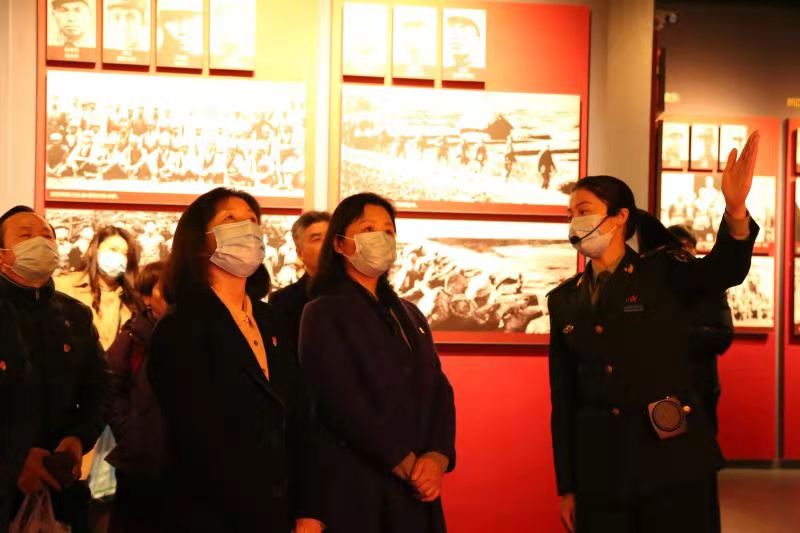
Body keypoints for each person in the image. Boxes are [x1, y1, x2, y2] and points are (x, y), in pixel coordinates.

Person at [547, 131, 759, 533]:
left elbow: (724, 270)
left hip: (671, 462)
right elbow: (564, 400)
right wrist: (568, 486)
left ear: (620, 216)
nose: (575, 220)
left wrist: (735, 209)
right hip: (601, 473)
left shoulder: (663, 272)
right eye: (570, 213)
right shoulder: (564, 300)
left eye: (584, 210)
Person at [146, 188, 324, 532]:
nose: (247, 228)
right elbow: (195, 433)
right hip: (213, 512)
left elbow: (299, 416)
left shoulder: (271, 319)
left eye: (253, 220)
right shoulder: (181, 324)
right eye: (231, 219)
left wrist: (308, 510)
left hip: (280, 511)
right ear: (200, 240)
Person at [299, 193, 456, 532]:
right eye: (368, 229)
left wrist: (437, 455)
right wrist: (402, 459)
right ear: (339, 243)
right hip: (361, 484)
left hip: (417, 483)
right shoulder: (323, 312)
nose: (381, 238)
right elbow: (340, 399)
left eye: (388, 231)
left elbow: (439, 388)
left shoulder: (409, 312)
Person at [0, 206, 109, 533]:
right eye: (26, 235)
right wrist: (14, 459)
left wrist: (78, 438)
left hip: (62, 490)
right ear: (3, 255)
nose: (42, 241)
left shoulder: (74, 315)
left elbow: (100, 387)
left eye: (48, 236)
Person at [668, 224, 734, 533]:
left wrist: (675, 334)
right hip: (662, 391)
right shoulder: (654, 289)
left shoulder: (710, 288)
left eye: (688, 250)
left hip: (700, 391)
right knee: (665, 469)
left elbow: (722, 336)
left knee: (701, 472)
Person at [105, 261, 167, 533]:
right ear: (146, 297)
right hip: (141, 461)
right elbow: (109, 385)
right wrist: (130, 432)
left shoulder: (194, 333)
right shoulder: (134, 336)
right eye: (165, 289)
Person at [56, 226, 142, 351]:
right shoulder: (65, 286)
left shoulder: (132, 298)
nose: (118, 257)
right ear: (93, 250)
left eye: (124, 254)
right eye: (113, 249)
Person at [269, 211, 330, 357]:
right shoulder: (283, 301)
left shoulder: (360, 295)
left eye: (331, 237)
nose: (327, 245)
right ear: (299, 252)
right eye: (317, 239)